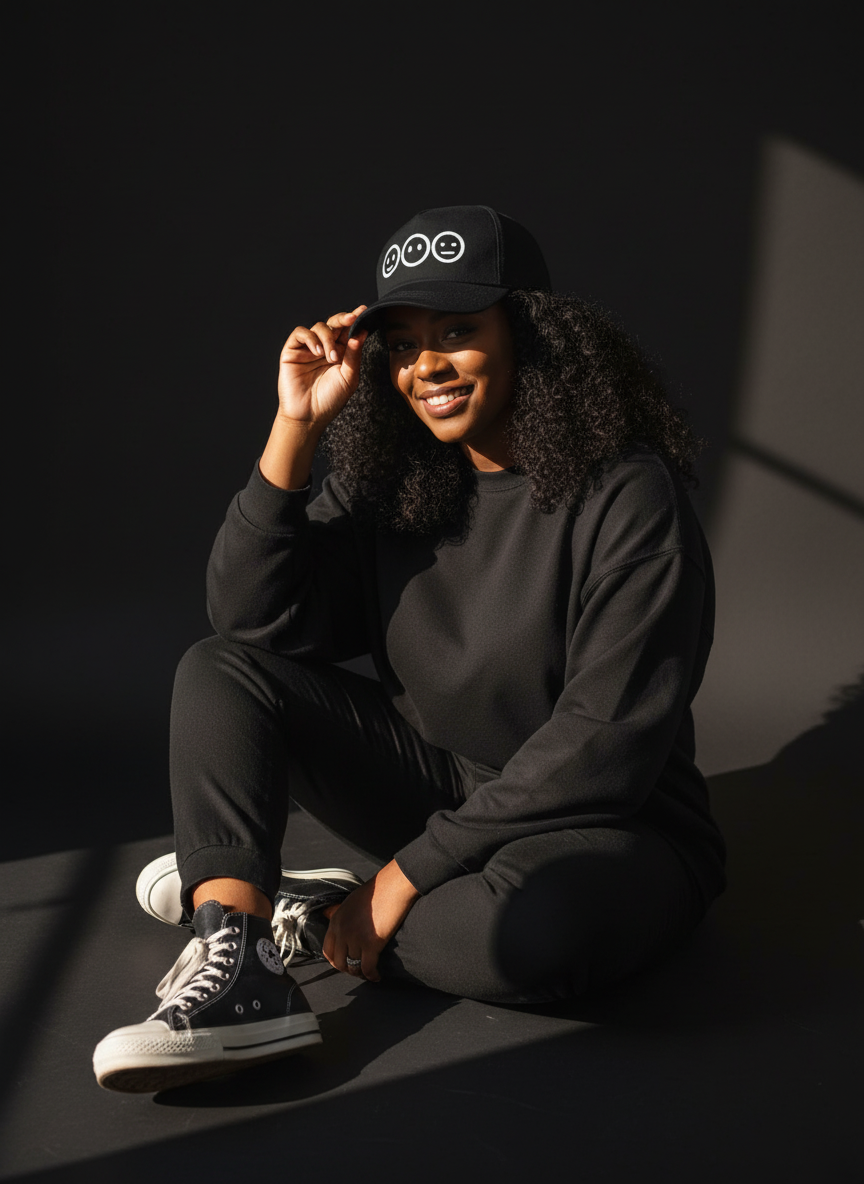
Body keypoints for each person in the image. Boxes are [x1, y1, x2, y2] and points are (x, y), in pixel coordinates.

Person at [93, 205, 725, 1093]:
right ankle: (234, 956)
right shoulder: (402, 486)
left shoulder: (627, 496)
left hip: (606, 828)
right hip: (440, 796)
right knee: (220, 670)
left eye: (458, 332)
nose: (425, 365)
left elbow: (604, 744)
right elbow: (250, 617)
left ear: (532, 336)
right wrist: (295, 433)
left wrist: (398, 881)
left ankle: (306, 920)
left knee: (535, 937)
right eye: (401, 344)